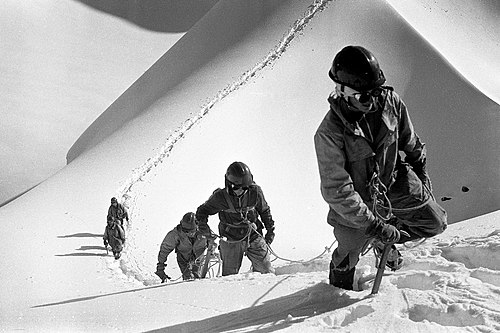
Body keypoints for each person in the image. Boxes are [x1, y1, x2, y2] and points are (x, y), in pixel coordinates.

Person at [314, 45, 447, 290]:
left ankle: (385, 237)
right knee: (348, 253)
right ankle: (336, 288)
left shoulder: (390, 102)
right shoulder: (329, 133)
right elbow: (338, 190)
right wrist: (373, 225)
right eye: (365, 96)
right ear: (344, 92)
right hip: (356, 201)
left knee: (435, 223)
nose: (373, 99)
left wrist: (420, 169)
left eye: (375, 91)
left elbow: (409, 140)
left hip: (393, 180)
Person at [195, 162, 276, 276]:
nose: (242, 190)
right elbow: (202, 212)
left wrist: (270, 230)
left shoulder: (255, 192)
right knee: (230, 277)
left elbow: (264, 210)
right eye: (237, 188)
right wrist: (206, 231)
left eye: (245, 187)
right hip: (230, 238)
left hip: (252, 234)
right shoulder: (220, 197)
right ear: (229, 185)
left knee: (267, 272)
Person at [155, 212, 210, 282]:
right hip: (184, 259)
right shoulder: (175, 234)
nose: (189, 233)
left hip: (199, 258)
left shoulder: (204, 230)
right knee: (188, 278)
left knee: (197, 278)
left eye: (191, 231)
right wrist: (160, 266)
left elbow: (211, 240)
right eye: (186, 231)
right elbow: (165, 249)